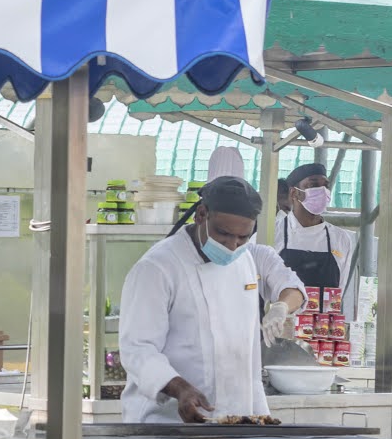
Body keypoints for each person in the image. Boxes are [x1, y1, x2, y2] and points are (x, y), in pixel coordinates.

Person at [117, 176, 304, 424]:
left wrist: (280, 307)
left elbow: (294, 289)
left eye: (243, 237)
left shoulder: (244, 257)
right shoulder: (157, 268)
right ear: (201, 214)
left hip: (237, 418)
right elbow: (137, 350)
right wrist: (180, 388)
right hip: (168, 423)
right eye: (223, 234)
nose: (231, 245)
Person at [275, 161, 362, 322]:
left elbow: (339, 291)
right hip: (278, 333)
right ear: (294, 193)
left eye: (325, 186)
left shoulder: (341, 239)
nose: (322, 191)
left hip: (322, 337)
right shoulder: (273, 235)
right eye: (313, 185)